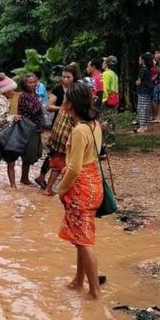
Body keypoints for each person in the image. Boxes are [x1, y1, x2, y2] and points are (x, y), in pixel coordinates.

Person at [57, 82, 104, 300]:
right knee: (80, 238)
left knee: (84, 242)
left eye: (65, 99)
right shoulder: (95, 125)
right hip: (94, 182)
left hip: (81, 187)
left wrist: (60, 189)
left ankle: (95, 292)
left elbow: (75, 168)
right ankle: (78, 281)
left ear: (70, 105)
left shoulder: (78, 131)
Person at [35, 65, 81, 190]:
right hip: (61, 123)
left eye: (68, 77)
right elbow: (49, 106)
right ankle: (48, 180)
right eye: (63, 77)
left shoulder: (77, 88)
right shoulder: (58, 89)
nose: (65, 79)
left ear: (74, 77)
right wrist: (64, 108)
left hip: (71, 124)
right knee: (57, 154)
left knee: (59, 155)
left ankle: (50, 181)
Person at [18, 73, 44, 185]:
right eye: (30, 82)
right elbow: (34, 110)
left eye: (34, 82)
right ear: (25, 84)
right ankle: (24, 178)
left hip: (35, 127)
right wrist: (41, 104)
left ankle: (25, 177)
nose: (33, 84)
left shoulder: (35, 94)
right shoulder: (24, 96)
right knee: (28, 153)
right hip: (27, 128)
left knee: (33, 152)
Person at [101, 56, 119, 146]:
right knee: (112, 119)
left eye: (104, 62)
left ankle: (107, 141)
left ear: (107, 64)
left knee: (105, 119)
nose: (102, 63)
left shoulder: (106, 74)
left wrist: (102, 99)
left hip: (107, 99)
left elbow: (105, 88)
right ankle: (111, 139)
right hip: (114, 98)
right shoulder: (114, 74)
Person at [135, 52, 154, 133]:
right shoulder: (148, 70)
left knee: (141, 108)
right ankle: (145, 125)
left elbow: (139, 82)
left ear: (143, 60)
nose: (138, 61)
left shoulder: (142, 70)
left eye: (139, 59)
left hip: (142, 92)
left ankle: (142, 126)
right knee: (145, 108)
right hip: (147, 91)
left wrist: (136, 82)